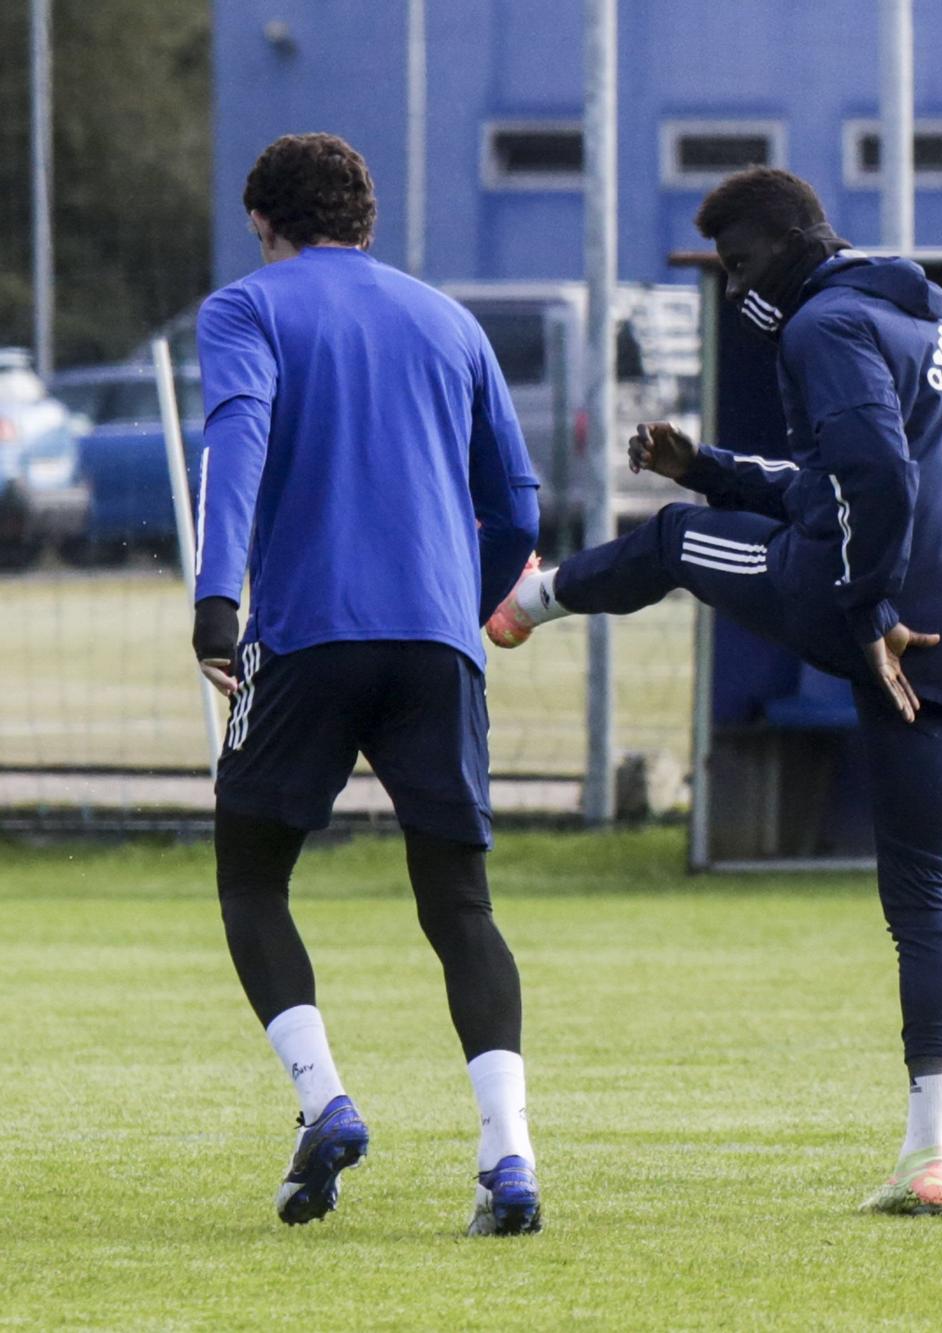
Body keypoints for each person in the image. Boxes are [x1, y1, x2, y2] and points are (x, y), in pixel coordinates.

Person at [487, 166, 942, 1214]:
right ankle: (927, 1155)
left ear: (793, 245)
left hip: (865, 603)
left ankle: (533, 598)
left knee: (672, 543)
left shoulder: (822, 327)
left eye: (741, 266)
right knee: (920, 895)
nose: (734, 294)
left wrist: (860, 612)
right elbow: (846, 479)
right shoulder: (923, 329)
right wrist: (713, 469)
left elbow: (878, 486)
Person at [192, 133, 546, 1232]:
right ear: (366, 218)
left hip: (306, 636)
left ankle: (324, 1099)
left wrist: (217, 600)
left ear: (264, 221)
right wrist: (471, 605)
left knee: (252, 877)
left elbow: (238, 434)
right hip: (440, 644)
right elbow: (521, 504)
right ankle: (510, 1157)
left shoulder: (246, 308)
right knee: (461, 907)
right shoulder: (450, 320)